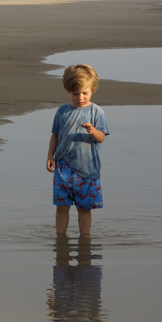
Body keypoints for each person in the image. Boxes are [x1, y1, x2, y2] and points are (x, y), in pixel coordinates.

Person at [46, 64, 109, 235]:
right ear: (68, 91)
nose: (80, 97)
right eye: (76, 93)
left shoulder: (96, 112)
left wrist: (92, 131)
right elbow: (55, 135)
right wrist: (50, 155)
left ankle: (85, 239)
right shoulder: (62, 111)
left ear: (92, 89)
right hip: (63, 169)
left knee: (84, 209)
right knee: (61, 207)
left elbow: (101, 137)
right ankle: (60, 238)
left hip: (87, 169)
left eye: (85, 93)